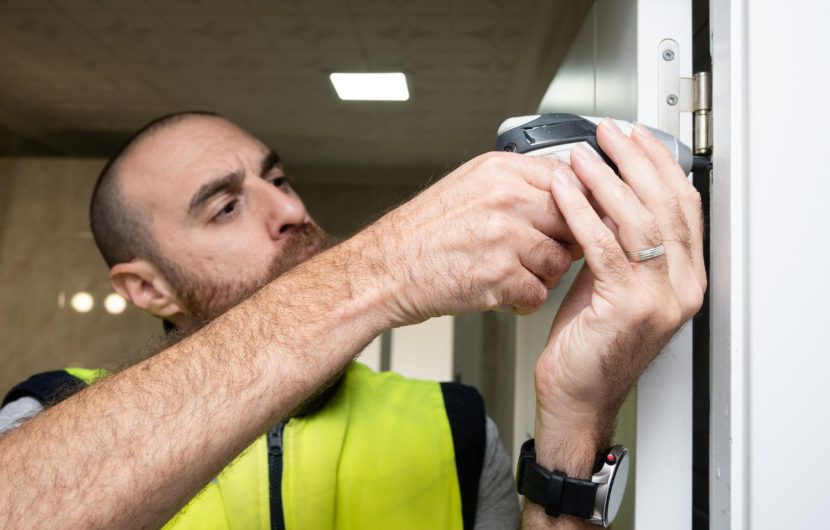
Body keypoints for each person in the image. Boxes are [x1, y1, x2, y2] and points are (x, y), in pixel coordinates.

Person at [0, 112, 705, 530]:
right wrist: (385, 265)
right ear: (147, 288)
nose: (289, 211)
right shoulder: (52, 411)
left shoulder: (455, 423)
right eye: (225, 207)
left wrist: (578, 419)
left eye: (275, 181)